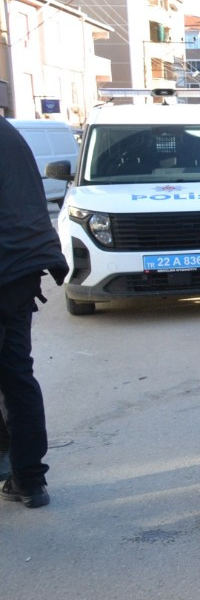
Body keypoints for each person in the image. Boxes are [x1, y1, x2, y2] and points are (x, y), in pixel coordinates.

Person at [0, 116, 69, 508]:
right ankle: (29, 481)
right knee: (17, 375)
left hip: (10, 265)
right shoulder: (10, 134)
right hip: (21, 269)